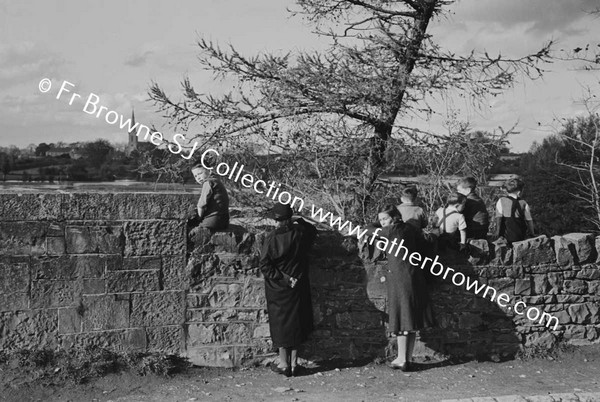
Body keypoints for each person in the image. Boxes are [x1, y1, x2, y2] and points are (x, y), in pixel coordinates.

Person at [259, 203, 318, 377]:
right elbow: (313, 231)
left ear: (275, 220)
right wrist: (299, 219)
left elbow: (264, 265)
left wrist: (283, 278)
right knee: (297, 322)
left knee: (281, 325)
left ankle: (284, 364)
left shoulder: (271, 238)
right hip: (298, 283)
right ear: (289, 218)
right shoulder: (300, 233)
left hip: (278, 286)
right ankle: (293, 364)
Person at [375, 205, 434, 371]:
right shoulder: (409, 228)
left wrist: (377, 224)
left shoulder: (391, 231)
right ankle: (407, 358)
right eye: (380, 220)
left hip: (399, 277)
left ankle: (402, 358)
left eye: (384, 219)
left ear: (394, 218)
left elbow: (367, 230)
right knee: (411, 318)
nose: (382, 222)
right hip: (414, 274)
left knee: (401, 317)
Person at [190, 161, 230, 232]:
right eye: (195, 176)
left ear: (209, 170)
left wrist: (198, 218)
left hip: (214, 220)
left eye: (200, 173)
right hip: (225, 219)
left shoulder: (208, 182)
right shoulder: (216, 180)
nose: (198, 178)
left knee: (193, 230)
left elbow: (201, 205)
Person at [494, 178, 535, 244]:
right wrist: (532, 233)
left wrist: (497, 232)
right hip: (520, 235)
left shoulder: (501, 200)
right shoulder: (523, 203)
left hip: (506, 235)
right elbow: (529, 220)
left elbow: (499, 218)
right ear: (519, 192)